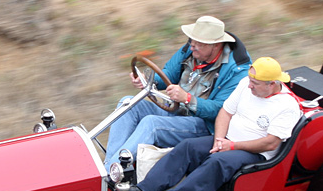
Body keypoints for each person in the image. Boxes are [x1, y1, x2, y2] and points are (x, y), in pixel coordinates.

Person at [127, 56, 302, 191]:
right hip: (227, 140)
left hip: (255, 152)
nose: (249, 85)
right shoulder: (245, 85)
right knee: (189, 146)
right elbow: (225, 112)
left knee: (218, 162)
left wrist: (232, 146)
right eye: (250, 80)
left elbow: (270, 143)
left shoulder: (287, 106)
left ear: (271, 84)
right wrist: (219, 140)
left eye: (255, 83)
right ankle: (144, 188)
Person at [103, 15, 251, 170]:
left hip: (202, 124)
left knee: (152, 123)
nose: (192, 45)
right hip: (174, 109)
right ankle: (109, 166)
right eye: (192, 40)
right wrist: (148, 81)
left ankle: (112, 171)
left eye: (199, 43)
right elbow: (168, 74)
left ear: (215, 45)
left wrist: (187, 98)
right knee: (127, 103)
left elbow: (220, 109)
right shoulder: (191, 50)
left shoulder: (236, 71)